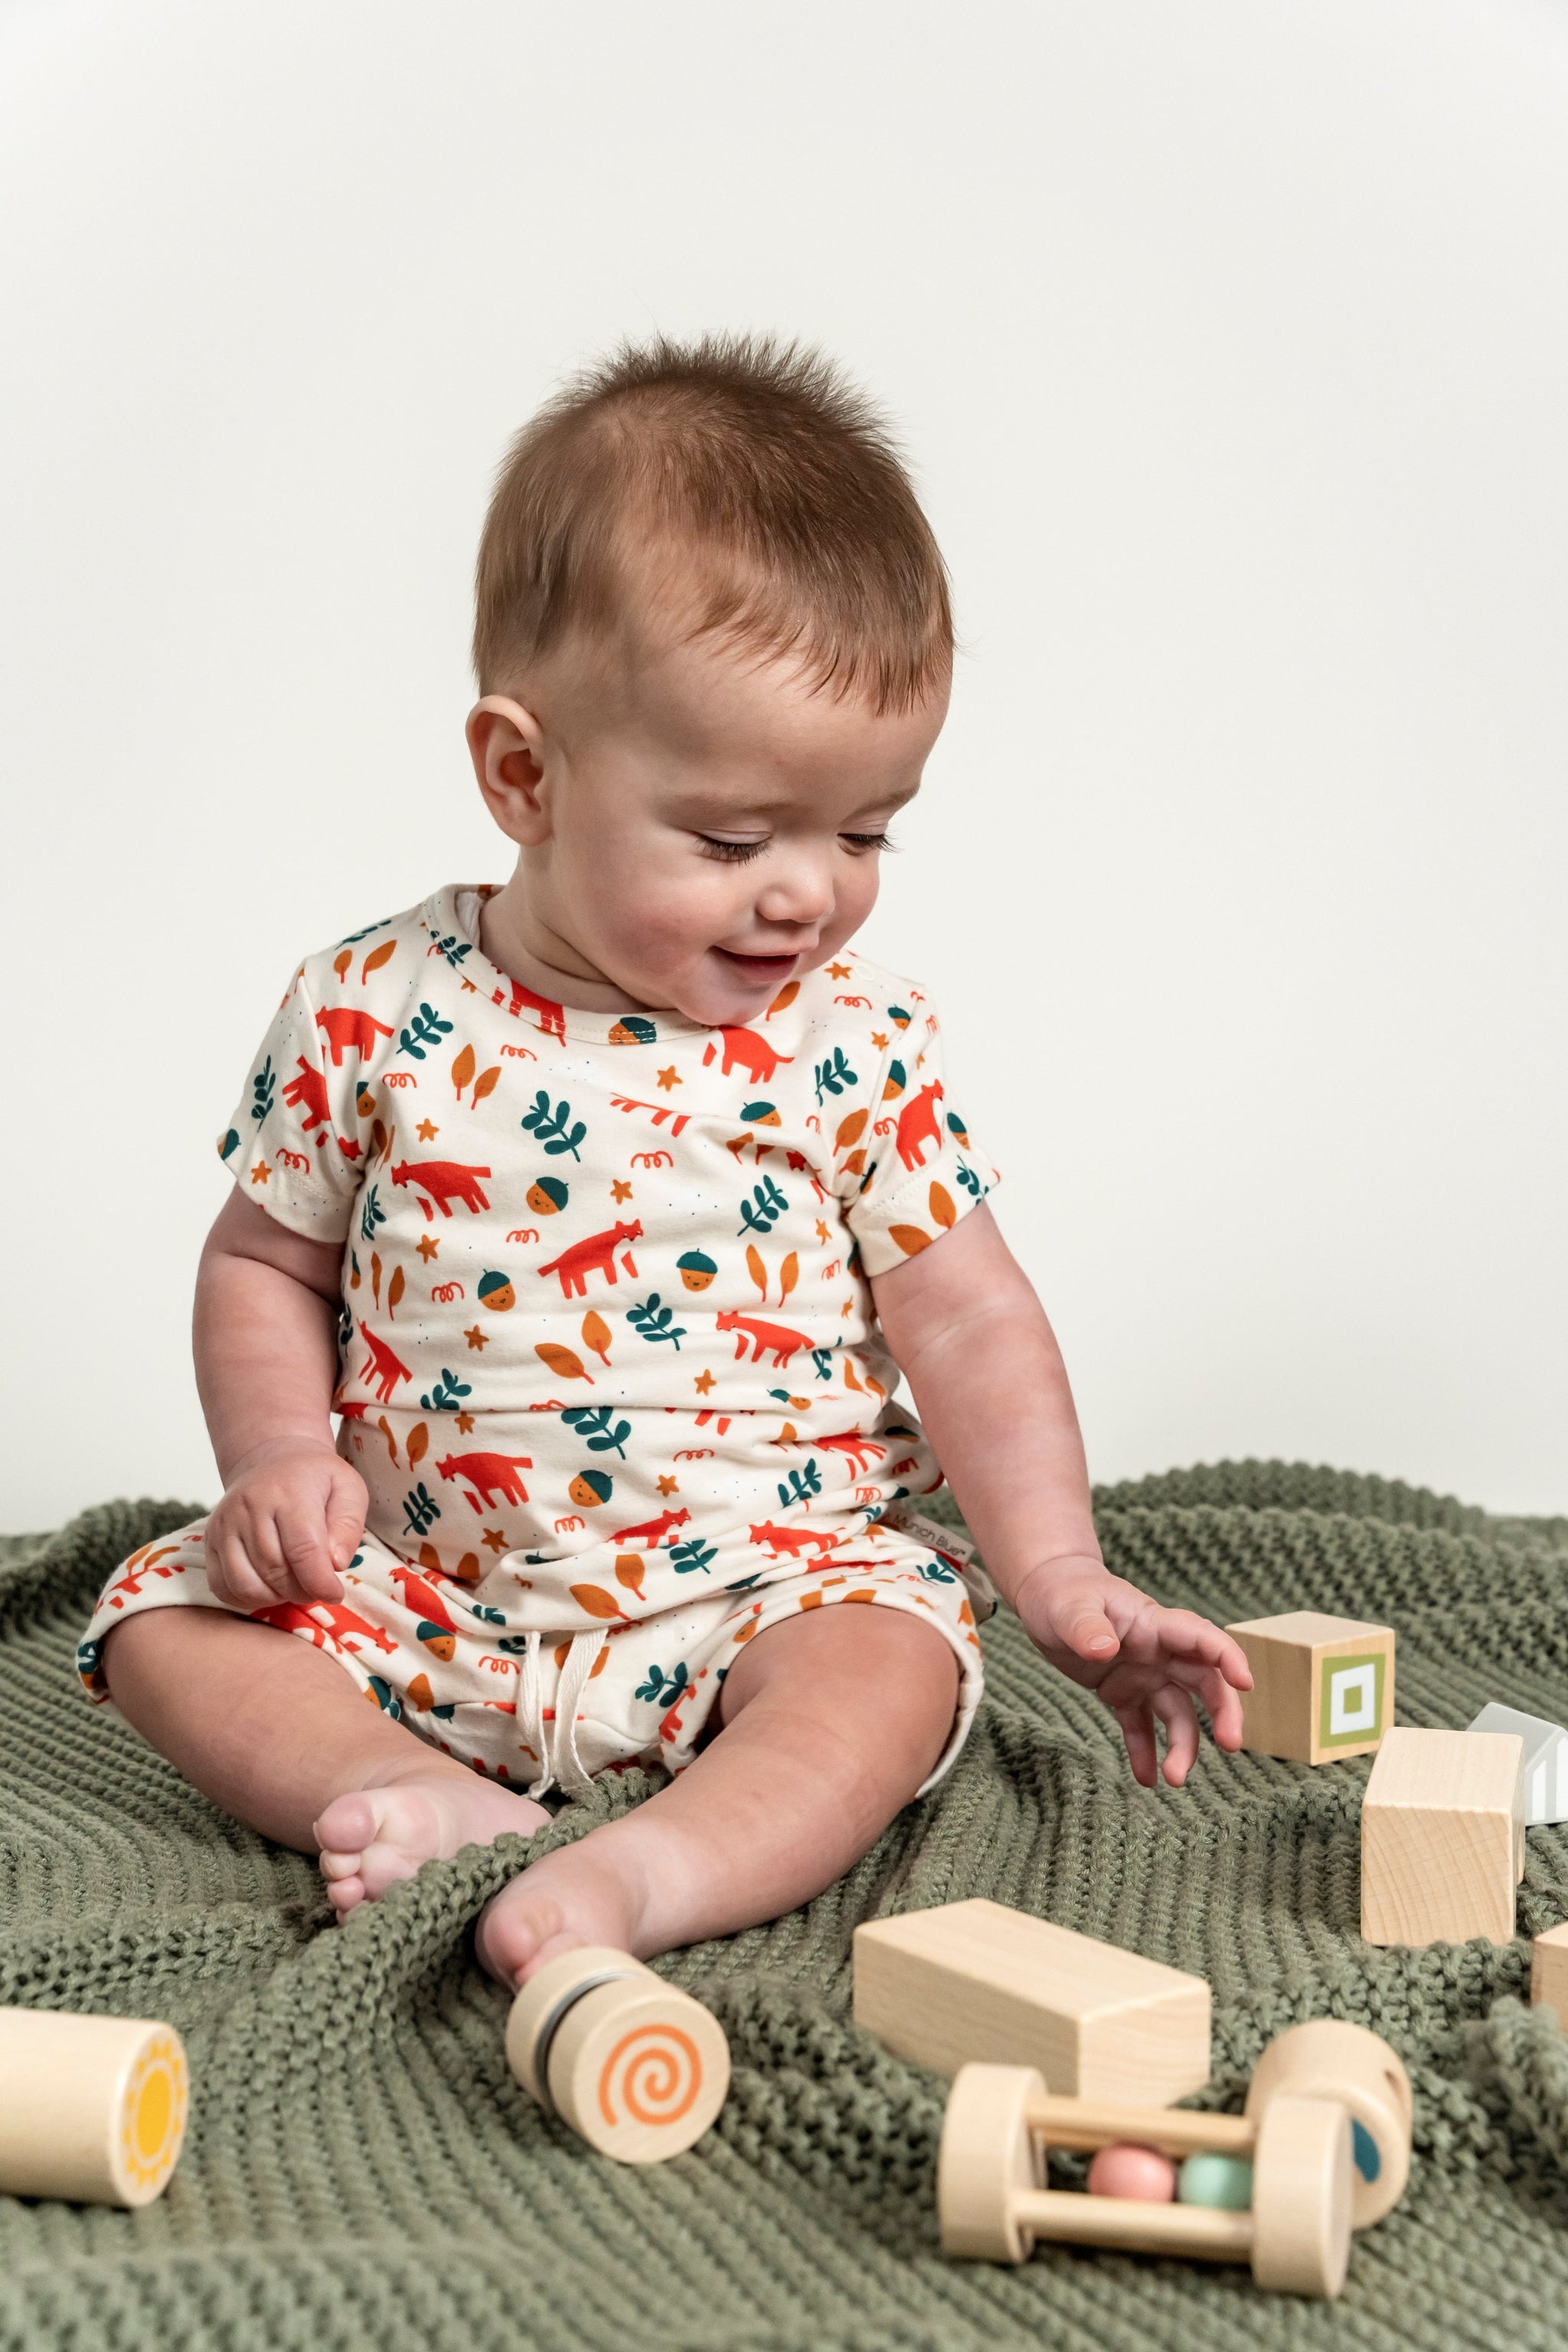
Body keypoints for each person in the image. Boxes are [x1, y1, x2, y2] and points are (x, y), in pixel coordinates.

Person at [82, 335, 1250, 1989]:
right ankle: (401, 1790)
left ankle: (655, 1870)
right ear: (524, 773)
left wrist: (1059, 1573)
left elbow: (970, 1318)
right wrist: (278, 1463)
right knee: (160, 1621)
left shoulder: (855, 1043)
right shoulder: (371, 1011)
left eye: (862, 833)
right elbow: (264, 1260)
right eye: (729, 838)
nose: (805, 897)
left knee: (890, 1660)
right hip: (425, 1605)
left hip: (759, 1603)